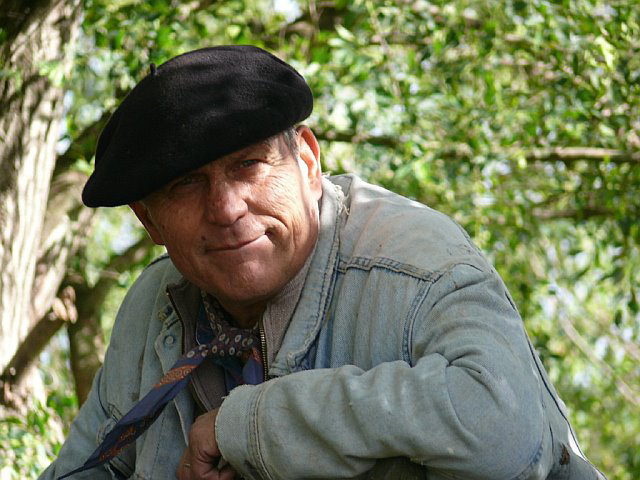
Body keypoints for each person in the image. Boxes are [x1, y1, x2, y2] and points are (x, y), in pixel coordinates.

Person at [39, 45, 604, 480]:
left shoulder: (417, 265)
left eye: (248, 165)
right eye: (186, 184)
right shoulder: (155, 304)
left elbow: (502, 432)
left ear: (308, 162)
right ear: (150, 221)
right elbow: (89, 467)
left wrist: (250, 425)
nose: (227, 208)